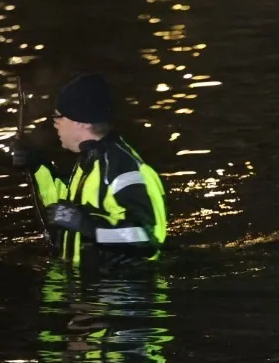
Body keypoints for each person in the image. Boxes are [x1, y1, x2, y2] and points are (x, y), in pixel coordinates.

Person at [12, 73, 168, 265]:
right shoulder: (90, 159)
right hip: (85, 284)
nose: (55, 123)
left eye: (58, 117)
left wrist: (87, 226)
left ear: (81, 121)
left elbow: (146, 236)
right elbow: (65, 209)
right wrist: (37, 166)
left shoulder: (123, 168)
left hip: (121, 288)